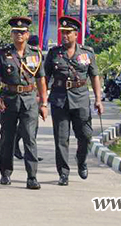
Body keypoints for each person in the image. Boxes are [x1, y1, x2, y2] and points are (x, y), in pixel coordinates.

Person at [45, 15, 104, 186]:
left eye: (68, 32)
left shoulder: (87, 53)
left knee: (85, 135)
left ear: (76, 34)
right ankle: (63, 173)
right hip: (59, 99)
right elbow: (45, 76)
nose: (64, 35)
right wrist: (41, 97)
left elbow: (94, 76)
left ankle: (81, 160)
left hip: (81, 98)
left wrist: (98, 99)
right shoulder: (54, 53)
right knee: (61, 139)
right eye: (62, 32)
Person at [0, 17, 48, 190]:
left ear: (27, 34)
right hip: (9, 98)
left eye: (22, 32)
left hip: (29, 99)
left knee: (29, 137)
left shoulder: (35, 54)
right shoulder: (3, 54)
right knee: (7, 137)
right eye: (16, 32)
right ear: (12, 34)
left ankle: (32, 176)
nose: (19, 35)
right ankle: (5, 173)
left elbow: (41, 80)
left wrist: (43, 103)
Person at [13, 34, 44, 162]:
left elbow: (41, 78)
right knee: (28, 127)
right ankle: (17, 145)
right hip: (26, 95)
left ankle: (30, 153)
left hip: (33, 95)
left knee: (31, 126)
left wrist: (42, 98)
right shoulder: (29, 55)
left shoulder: (37, 56)